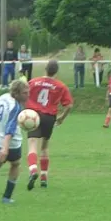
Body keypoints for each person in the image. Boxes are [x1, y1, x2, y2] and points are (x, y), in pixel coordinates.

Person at [26, 60, 74, 190]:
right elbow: (69, 105)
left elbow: (24, 95)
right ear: (56, 71)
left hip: (34, 116)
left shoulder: (33, 82)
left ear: (45, 69)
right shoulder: (60, 86)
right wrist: (62, 118)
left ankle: (33, 170)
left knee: (32, 144)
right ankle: (43, 177)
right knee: (45, 147)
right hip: (49, 117)